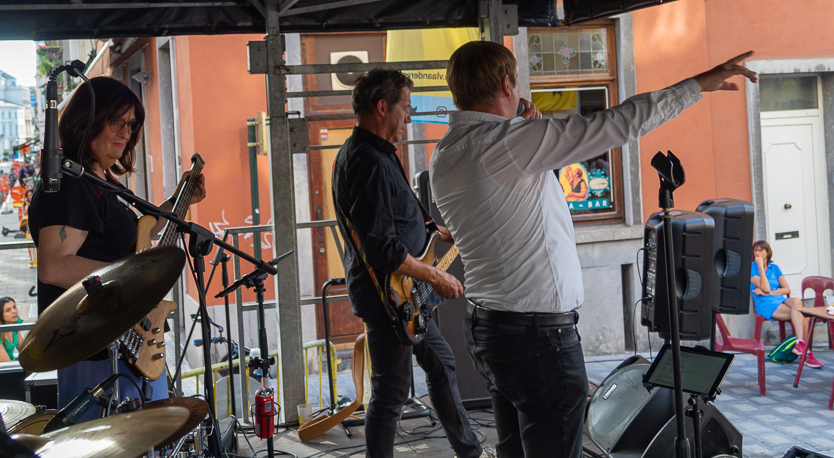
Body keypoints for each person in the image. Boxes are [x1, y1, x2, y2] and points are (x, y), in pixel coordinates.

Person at [429, 41, 757, 457]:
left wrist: (525, 129)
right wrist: (698, 84)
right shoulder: (513, 143)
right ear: (508, 84)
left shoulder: (446, 153)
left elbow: (505, 192)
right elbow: (619, 123)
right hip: (536, 337)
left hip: (488, 327)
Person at [331, 68, 487, 458]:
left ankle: (469, 452)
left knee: (441, 364)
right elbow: (382, 248)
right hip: (391, 299)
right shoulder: (366, 161)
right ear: (381, 107)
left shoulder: (375, 152)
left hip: (404, 296)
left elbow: (396, 214)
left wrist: (435, 229)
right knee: (391, 393)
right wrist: (435, 276)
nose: (409, 117)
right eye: (406, 107)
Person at [28, 76, 206, 416]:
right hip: (96, 350)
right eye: (116, 122)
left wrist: (180, 200)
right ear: (87, 121)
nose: (126, 132)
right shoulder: (68, 185)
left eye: (131, 124)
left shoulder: (98, 182)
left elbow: (138, 236)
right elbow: (55, 266)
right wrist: (137, 281)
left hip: (126, 343)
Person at [751, 240, 821, 368]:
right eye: (755, 250)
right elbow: (765, 287)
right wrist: (760, 267)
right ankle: (806, 354)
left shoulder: (775, 268)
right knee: (804, 316)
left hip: (779, 299)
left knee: (796, 301)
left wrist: (770, 292)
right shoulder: (752, 268)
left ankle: (800, 344)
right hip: (765, 304)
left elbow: (787, 289)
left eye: (760, 250)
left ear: (767, 252)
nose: (757, 253)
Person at [21, 187, 37, 268]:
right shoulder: (26, 205)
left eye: (31, 195)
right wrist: (27, 205)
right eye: (28, 195)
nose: (30, 197)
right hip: (29, 226)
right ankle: (31, 260)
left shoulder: (36, 203)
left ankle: (36, 259)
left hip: (35, 225)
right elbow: (25, 213)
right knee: (29, 244)